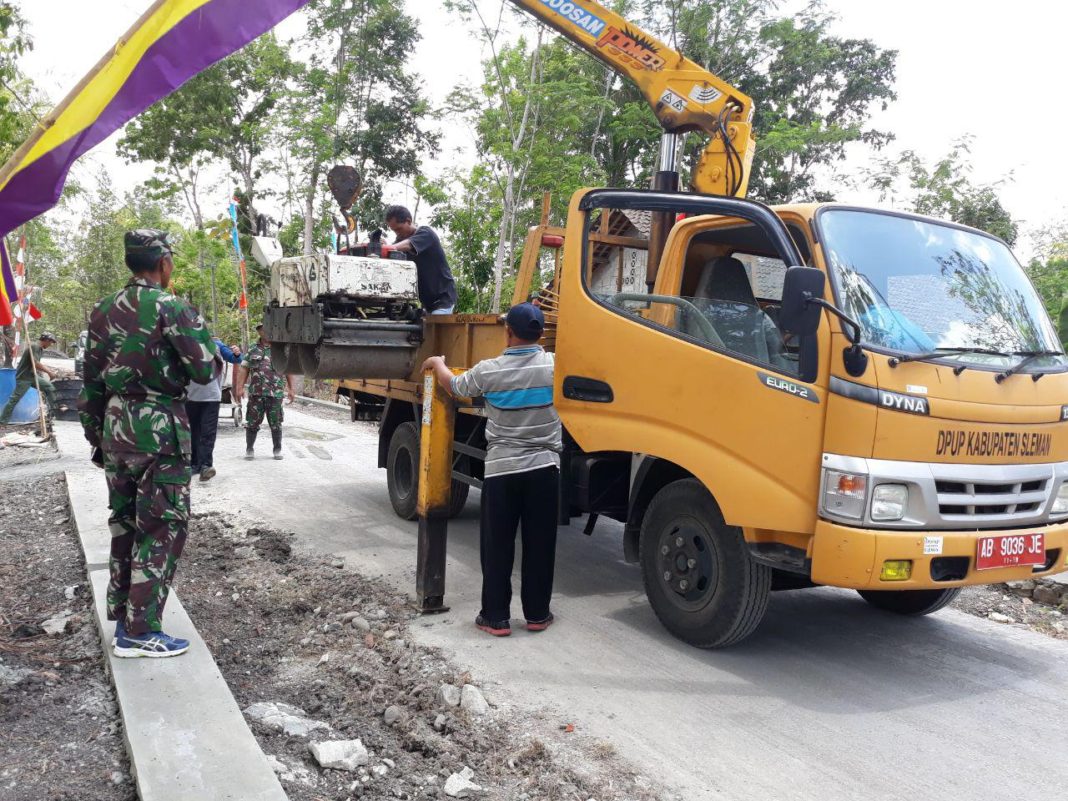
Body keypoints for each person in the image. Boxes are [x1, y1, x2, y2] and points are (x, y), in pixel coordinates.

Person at [79, 230, 217, 658]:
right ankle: (140, 632)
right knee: (160, 527)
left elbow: (89, 382)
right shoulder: (172, 307)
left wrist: (97, 436)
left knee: (124, 524)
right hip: (159, 431)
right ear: (163, 262)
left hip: (116, 429)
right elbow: (204, 371)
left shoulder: (101, 311)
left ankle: (123, 613)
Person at [422, 303, 561, 637]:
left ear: (508, 332)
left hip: (501, 471)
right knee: (540, 544)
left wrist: (438, 363)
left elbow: (455, 387)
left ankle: (495, 617)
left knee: (497, 545)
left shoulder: (490, 371)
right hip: (544, 469)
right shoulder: (556, 367)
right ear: (541, 334)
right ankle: (538, 615)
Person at [234, 323, 294, 460]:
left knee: (276, 423)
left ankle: (277, 450)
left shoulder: (281, 350)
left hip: (276, 394)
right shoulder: (252, 350)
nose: (265, 332)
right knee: (252, 423)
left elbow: (288, 369)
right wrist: (239, 387)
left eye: (268, 329)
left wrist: (291, 388)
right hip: (256, 393)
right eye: (262, 329)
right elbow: (244, 368)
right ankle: (249, 449)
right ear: (259, 332)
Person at [187, 336, 242, 482]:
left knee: (208, 432)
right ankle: (195, 464)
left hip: (211, 396)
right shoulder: (184, 342)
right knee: (193, 432)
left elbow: (234, 359)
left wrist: (236, 353)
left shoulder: (216, 344)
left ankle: (206, 466)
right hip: (190, 396)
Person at [384, 205, 457, 315]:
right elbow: (391, 255)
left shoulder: (425, 233)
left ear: (408, 221)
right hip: (427, 304)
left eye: (399, 229)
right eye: (394, 231)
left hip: (443, 299)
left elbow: (407, 245)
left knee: (434, 329)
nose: (397, 233)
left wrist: (386, 248)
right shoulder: (400, 242)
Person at [0, 331, 58, 423]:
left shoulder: (40, 349)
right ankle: (3, 420)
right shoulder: (35, 347)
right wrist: (49, 372)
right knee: (14, 399)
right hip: (24, 377)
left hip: (32, 376)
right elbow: (35, 363)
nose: (51, 344)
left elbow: (35, 365)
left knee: (50, 388)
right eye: (50, 342)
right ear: (46, 340)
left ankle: (54, 414)